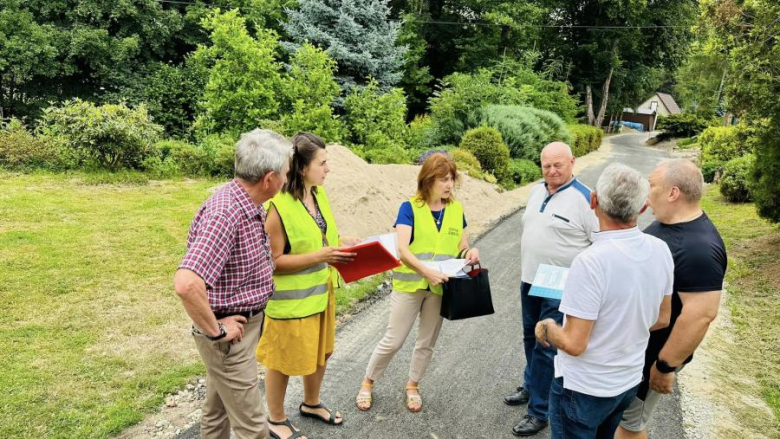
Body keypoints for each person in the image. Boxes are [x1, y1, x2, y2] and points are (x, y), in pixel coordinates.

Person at [535, 162, 674, 439]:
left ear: (593, 200)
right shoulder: (660, 250)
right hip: (627, 382)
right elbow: (662, 318)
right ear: (643, 207)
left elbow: (574, 343)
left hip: (584, 388)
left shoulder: (590, 262)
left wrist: (548, 327)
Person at [173, 129, 291, 439]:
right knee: (253, 428)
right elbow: (186, 284)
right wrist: (217, 330)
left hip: (240, 330)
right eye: (285, 173)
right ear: (269, 179)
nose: (286, 178)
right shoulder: (226, 212)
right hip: (229, 339)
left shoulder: (246, 204)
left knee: (216, 412)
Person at [354, 152, 480, 413]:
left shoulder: (457, 210)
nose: (449, 185)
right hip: (409, 286)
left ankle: (413, 385)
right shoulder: (409, 208)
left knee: (426, 342)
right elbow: (402, 250)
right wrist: (426, 272)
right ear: (428, 179)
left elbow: (462, 247)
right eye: (444, 179)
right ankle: (367, 382)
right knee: (394, 340)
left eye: (452, 180)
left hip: (439, 289)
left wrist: (470, 254)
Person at [256, 133, 359, 439]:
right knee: (283, 360)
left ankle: (311, 403)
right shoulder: (278, 208)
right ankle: (275, 419)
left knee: (320, 353)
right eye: (322, 163)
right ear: (302, 168)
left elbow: (320, 239)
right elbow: (272, 260)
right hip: (290, 303)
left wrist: (342, 245)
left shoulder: (318, 194)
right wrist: (322, 255)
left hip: (320, 293)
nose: (328, 169)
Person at [616, 159, 727, 439]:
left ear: (673, 193)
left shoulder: (699, 248)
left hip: (652, 356)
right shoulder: (666, 225)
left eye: (651, 185)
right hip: (633, 349)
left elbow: (700, 315)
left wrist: (665, 366)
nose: (646, 193)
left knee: (630, 425)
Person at [509, 142, 599, 437]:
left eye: (558, 165)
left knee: (546, 345)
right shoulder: (536, 190)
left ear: (573, 162)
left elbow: (599, 247)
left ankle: (539, 411)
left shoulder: (586, 199)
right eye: (546, 165)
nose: (552, 171)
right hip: (531, 278)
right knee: (528, 336)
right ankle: (533, 385)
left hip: (560, 283)